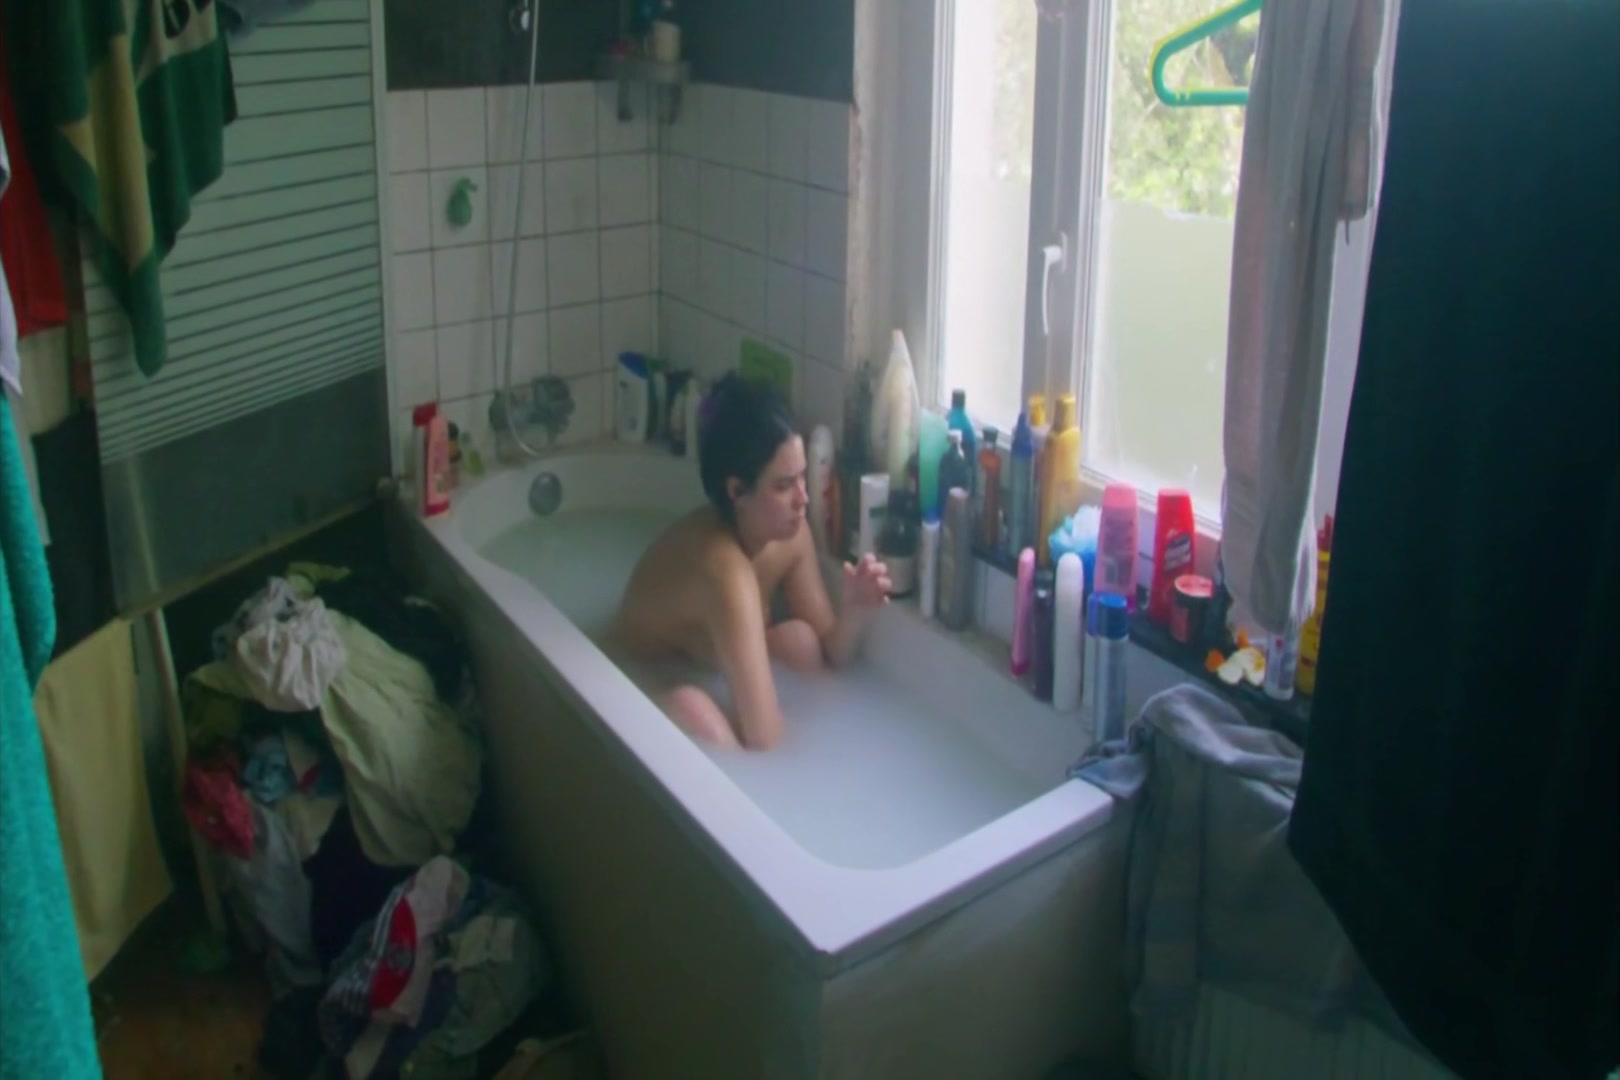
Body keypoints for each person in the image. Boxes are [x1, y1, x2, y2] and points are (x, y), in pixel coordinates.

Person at [613, 374, 891, 750]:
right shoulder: (722, 569)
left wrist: (855, 609)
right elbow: (764, 737)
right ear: (737, 492)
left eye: (802, 478)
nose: (803, 499)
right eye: (783, 486)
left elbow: (831, 652)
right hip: (637, 681)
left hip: (705, 664)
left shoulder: (789, 534)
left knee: (801, 642)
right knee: (695, 711)